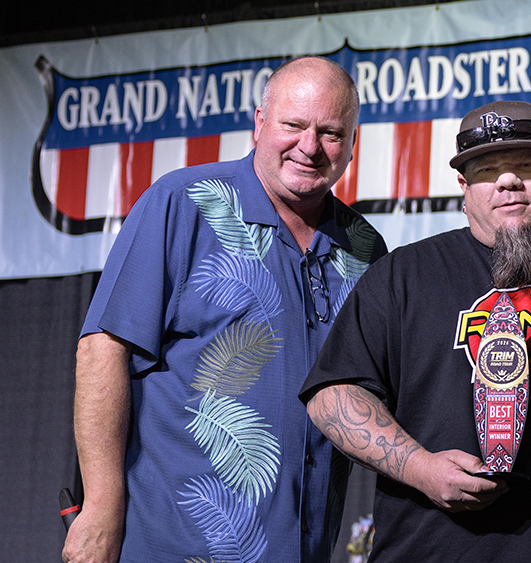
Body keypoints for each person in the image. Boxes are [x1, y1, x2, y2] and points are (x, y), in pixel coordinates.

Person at [299, 100, 531, 562]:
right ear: (463, 186)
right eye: (487, 169)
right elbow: (332, 395)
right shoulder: (403, 275)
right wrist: (420, 468)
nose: (507, 180)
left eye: (526, 165)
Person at [62, 57, 387, 563]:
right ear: (260, 123)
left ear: (351, 144)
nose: (310, 146)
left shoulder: (366, 249)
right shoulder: (182, 202)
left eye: (330, 133)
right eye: (293, 125)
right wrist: (101, 508)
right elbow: (103, 350)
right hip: (171, 546)